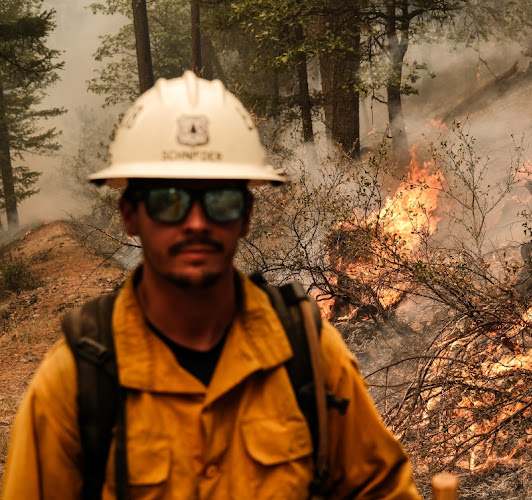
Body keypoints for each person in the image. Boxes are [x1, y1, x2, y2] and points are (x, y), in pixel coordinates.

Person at [1, 71, 421, 500]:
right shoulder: (74, 383)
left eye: (219, 199)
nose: (197, 223)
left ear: (245, 215)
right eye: (169, 200)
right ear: (129, 215)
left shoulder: (307, 355)